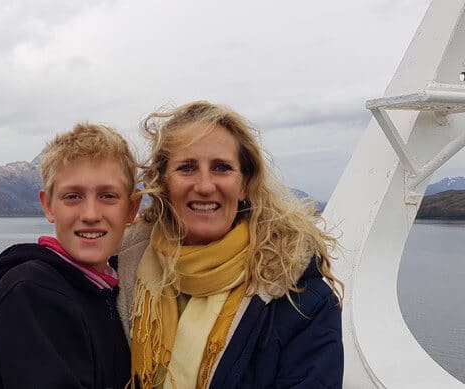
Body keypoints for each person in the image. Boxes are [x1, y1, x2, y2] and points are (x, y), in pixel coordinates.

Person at [116, 101, 344, 389]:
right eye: (187, 168)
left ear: (245, 184)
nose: (205, 185)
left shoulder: (300, 298)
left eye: (221, 168)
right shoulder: (122, 272)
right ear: (162, 182)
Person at [0, 123, 141, 389]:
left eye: (107, 196)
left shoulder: (114, 288)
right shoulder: (30, 293)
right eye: (73, 196)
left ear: (131, 209)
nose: (90, 214)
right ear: (48, 206)